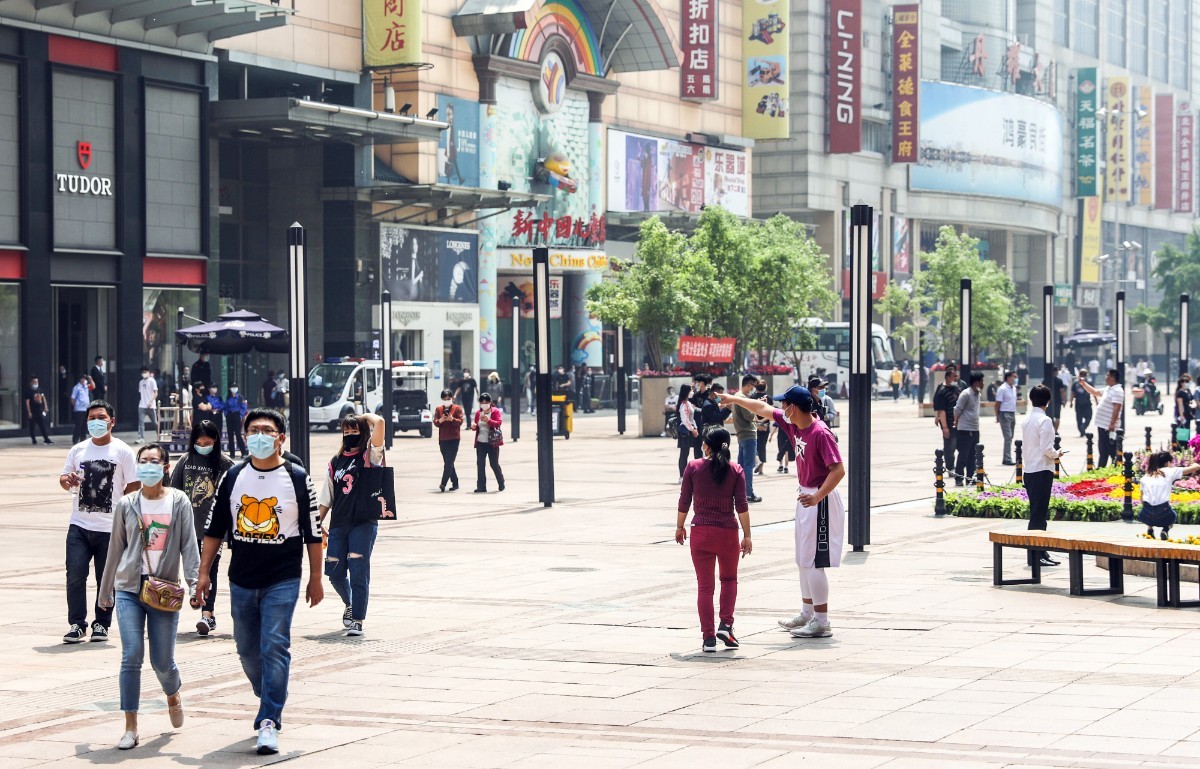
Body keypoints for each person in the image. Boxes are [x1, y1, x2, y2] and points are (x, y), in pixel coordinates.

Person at [196, 407, 323, 756]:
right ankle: (269, 691)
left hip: (283, 576)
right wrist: (204, 572)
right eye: (254, 430)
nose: (260, 436)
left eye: (267, 430)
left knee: (274, 644)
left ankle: (269, 719)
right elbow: (214, 528)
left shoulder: (297, 477)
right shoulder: (234, 476)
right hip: (241, 577)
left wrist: (316, 577)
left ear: (281, 438)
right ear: (244, 435)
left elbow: (313, 531)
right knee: (247, 648)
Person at [720, 385, 845, 639]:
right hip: (806, 497)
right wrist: (733, 398)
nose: (781, 408)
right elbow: (762, 408)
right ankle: (807, 613)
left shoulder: (820, 432)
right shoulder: (793, 424)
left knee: (813, 561)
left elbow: (838, 470)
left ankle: (822, 620)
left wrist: (817, 496)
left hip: (819, 500)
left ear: (794, 407)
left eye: (784, 404)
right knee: (802, 559)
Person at [97, 442, 199, 750]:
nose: (148, 466)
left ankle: (173, 692)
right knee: (131, 656)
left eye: (154, 461)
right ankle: (131, 726)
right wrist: (105, 591)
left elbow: (189, 546)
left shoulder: (179, 502)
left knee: (162, 663)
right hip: (129, 587)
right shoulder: (126, 504)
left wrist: (195, 585)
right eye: (143, 461)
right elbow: (115, 549)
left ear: (165, 467)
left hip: (163, 589)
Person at [59, 400, 139, 644]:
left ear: (111, 421)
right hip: (79, 526)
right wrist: (68, 480)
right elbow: (63, 479)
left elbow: (134, 486)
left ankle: (101, 624)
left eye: (101, 417)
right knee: (75, 575)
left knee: (106, 579)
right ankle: (77, 623)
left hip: (111, 529)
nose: (96, 421)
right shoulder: (78, 450)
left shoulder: (123, 451)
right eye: (92, 418)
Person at [676, 428, 752, 653]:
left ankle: (708, 638)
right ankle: (726, 625)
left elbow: (684, 501)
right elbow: (742, 507)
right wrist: (747, 535)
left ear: (707, 446)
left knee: (705, 587)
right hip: (727, 533)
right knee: (729, 580)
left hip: (700, 533)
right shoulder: (736, 470)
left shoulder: (693, 467)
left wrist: (680, 526)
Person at [318, 413, 389, 637]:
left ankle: (357, 618)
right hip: (339, 523)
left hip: (363, 523)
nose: (349, 435)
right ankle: (349, 603)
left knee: (358, 571)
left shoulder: (370, 455)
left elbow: (380, 423)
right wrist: (316, 523)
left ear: (363, 432)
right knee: (334, 572)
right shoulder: (335, 461)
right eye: (346, 431)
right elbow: (326, 497)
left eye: (354, 431)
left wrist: (361, 417)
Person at [169, 419, 233, 636]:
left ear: (215, 441)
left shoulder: (225, 464)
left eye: (207, 442)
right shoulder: (185, 461)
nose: (203, 446)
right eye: (199, 442)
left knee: (210, 570)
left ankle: (208, 615)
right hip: (186, 527)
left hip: (212, 530)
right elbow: (173, 491)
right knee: (191, 570)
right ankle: (196, 596)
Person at [1022, 384, 1064, 567]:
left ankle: (1040, 551)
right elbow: (1047, 449)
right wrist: (1057, 454)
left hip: (1030, 470)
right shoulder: (1045, 420)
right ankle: (1035, 554)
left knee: (1037, 513)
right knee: (1039, 515)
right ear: (1047, 401)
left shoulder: (1027, 420)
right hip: (1041, 470)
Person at [1139, 450, 1200, 540]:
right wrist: (1194, 463)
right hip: (1164, 513)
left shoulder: (1145, 477)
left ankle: (1150, 529)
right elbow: (1196, 467)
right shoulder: (1169, 472)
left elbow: (1141, 500)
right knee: (1173, 515)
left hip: (1145, 515)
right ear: (1167, 462)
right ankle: (1165, 530)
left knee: (1150, 508)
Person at [1078, 369, 1123, 467]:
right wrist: (1084, 384)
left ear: (1113, 378)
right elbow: (1095, 392)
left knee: (1110, 449)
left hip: (1109, 426)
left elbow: (1117, 408)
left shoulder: (1117, 391)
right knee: (1103, 449)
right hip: (1102, 425)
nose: (1106, 377)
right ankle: (1103, 468)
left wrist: (1112, 424)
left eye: (1107, 376)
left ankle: (1114, 468)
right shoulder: (1108, 389)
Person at [729, 375, 764, 504]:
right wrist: (758, 407)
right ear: (748, 384)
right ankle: (748, 493)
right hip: (748, 434)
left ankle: (741, 493)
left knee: (742, 466)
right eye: (753, 386)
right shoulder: (742, 398)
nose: (753, 389)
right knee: (748, 466)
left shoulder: (737, 397)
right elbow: (749, 416)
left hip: (741, 435)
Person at [953, 373, 985, 486]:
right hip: (965, 430)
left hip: (975, 429)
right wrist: (956, 422)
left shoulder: (978, 394)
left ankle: (970, 478)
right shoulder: (966, 394)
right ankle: (959, 478)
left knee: (973, 456)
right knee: (963, 455)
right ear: (976, 382)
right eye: (982, 381)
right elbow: (957, 409)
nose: (983, 383)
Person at [471, 393, 505, 493]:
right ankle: (481, 486)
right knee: (480, 464)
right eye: (482, 402)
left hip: (492, 442)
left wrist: (489, 420)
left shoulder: (495, 411)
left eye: (486, 402)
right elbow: (477, 425)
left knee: (494, 463)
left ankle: (501, 481)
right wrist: (474, 426)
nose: (484, 404)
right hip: (481, 442)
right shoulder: (478, 413)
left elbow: (498, 423)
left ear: (490, 402)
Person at [434, 388, 464, 492]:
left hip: (454, 439)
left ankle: (443, 483)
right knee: (449, 462)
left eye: (448, 398)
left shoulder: (457, 408)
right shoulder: (438, 409)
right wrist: (441, 420)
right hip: (443, 439)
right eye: (444, 399)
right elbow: (435, 422)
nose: (446, 400)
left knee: (448, 463)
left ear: (452, 398)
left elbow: (460, 421)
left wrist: (452, 419)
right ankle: (455, 482)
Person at [934, 367, 960, 473]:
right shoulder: (941, 390)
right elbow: (941, 410)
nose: (956, 377)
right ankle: (950, 467)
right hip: (948, 422)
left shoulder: (956, 388)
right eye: (954, 376)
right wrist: (944, 426)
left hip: (957, 421)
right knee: (950, 445)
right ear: (948, 377)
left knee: (958, 444)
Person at [676, 383, 701, 480]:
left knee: (686, 452)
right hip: (685, 432)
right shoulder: (683, 405)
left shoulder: (688, 403)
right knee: (684, 453)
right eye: (691, 390)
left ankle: (685, 475)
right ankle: (682, 476)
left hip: (690, 430)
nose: (692, 392)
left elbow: (696, 411)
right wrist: (693, 429)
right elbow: (685, 420)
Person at [994, 370, 1018, 465]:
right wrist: (997, 415)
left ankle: (1006, 456)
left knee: (1010, 436)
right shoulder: (1002, 389)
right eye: (1013, 377)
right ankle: (1007, 459)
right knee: (1008, 437)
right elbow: (997, 403)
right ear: (1008, 378)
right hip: (1004, 413)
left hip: (1012, 413)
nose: (1014, 379)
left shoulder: (1013, 388)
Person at [25, 375, 52, 445]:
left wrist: (45, 407)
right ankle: (33, 439)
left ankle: (46, 439)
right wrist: (29, 412)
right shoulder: (28, 391)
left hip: (39, 410)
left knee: (42, 425)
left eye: (37, 381)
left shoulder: (39, 389)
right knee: (32, 426)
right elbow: (27, 402)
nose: (36, 383)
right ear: (31, 383)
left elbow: (43, 398)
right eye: (34, 382)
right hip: (32, 410)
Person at [224, 383, 249, 458]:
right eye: (232, 387)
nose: (234, 389)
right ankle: (232, 454)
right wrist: (226, 414)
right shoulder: (228, 397)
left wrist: (240, 415)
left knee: (238, 435)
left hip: (237, 415)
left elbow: (244, 408)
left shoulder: (240, 397)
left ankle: (243, 452)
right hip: (230, 416)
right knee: (230, 435)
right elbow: (226, 407)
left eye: (235, 387)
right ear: (229, 389)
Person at [135, 367, 158, 444]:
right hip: (142, 405)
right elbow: (140, 392)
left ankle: (159, 435)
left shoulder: (152, 381)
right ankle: (141, 437)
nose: (144, 374)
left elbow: (156, 392)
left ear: (148, 372)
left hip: (150, 405)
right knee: (141, 422)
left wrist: (151, 401)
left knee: (154, 422)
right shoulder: (141, 382)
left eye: (145, 372)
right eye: (142, 372)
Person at [1070, 371, 1096, 437]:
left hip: (1079, 403)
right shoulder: (1089, 383)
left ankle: (1082, 429)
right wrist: (1096, 401)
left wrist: (1071, 402)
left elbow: (1072, 394)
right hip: (1086, 403)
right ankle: (1083, 428)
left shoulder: (1076, 383)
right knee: (1089, 417)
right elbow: (1094, 392)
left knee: (1079, 418)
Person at [70, 374, 91, 443]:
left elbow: (93, 386)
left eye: (85, 379)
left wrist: (90, 379)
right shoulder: (76, 388)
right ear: (80, 379)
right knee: (78, 425)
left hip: (86, 409)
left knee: (85, 425)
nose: (84, 380)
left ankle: (83, 439)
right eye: (83, 378)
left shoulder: (86, 387)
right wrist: (75, 406)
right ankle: (75, 440)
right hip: (79, 409)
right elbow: (73, 398)